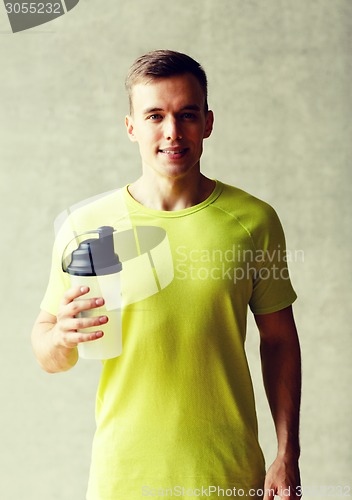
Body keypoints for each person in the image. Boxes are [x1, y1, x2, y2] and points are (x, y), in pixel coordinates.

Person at [32, 50, 302, 500]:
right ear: (131, 127)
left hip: (229, 476)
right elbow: (47, 351)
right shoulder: (85, 228)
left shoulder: (254, 221)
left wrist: (287, 452)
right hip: (123, 480)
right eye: (155, 115)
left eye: (187, 115)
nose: (172, 132)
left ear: (208, 122)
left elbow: (279, 341)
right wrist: (60, 337)